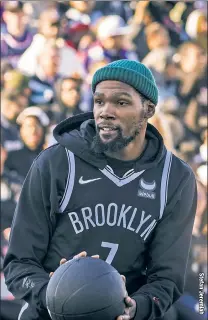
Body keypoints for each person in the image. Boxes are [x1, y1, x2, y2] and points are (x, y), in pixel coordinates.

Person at [4, 60, 197, 320]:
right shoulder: (57, 163)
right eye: (99, 101)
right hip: (48, 312)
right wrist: (55, 293)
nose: (105, 111)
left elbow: (167, 279)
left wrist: (136, 307)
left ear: (148, 109)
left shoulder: (175, 178)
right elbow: (19, 264)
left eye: (121, 102)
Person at [5, 107, 50, 180]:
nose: (33, 131)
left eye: (37, 125)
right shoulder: (11, 158)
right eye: (28, 126)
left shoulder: (52, 157)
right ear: (20, 130)